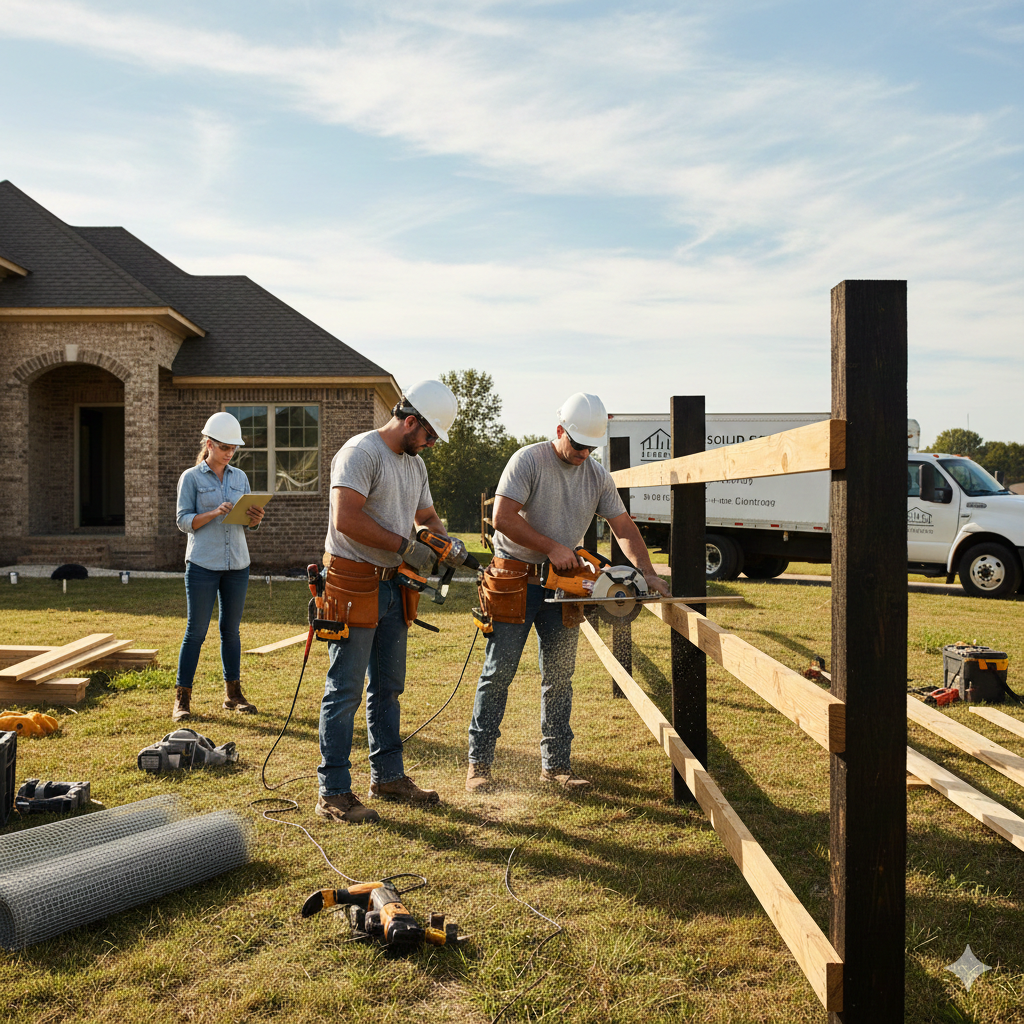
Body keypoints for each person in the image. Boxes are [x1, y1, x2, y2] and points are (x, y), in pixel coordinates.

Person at [466, 392, 671, 793]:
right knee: (498, 673)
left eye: (591, 448)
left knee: (559, 677)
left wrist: (648, 574)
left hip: (566, 587)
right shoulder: (529, 460)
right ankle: (479, 764)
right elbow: (501, 517)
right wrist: (551, 547)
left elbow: (624, 528)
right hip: (515, 580)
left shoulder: (596, 475)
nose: (583, 454)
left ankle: (555, 766)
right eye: (577, 445)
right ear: (560, 431)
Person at [316, 380, 464, 825]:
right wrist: (405, 546)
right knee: (344, 691)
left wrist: (443, 541)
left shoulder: (413, 466)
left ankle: (387, 776)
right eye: (430, 435)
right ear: (410, 420)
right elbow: (346, 518)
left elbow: (427, 517)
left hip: (392, 587)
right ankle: (334, 791)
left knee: (388, 688)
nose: (431, 444)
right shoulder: (361, 452)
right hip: (352, 583)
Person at [174, 411, 265, 722]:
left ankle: (233, 695)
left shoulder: (240, 478)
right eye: (225, 447)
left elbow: (246, 525)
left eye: (233, 449)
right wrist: (213, 513)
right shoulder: (191, 478)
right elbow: (183, 521)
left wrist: (254, 520)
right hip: (202, 564)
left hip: (237, 564)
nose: (230, 453)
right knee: (196, 632)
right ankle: (182, 700)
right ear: (209, 444)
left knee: (231, 631)